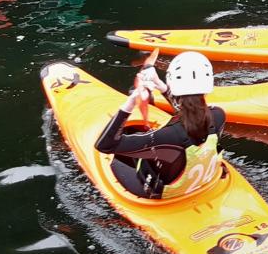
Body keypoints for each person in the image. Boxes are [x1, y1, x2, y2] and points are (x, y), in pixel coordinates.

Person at [94, 52, 226, 199]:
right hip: (203, 181)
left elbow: (105, 145)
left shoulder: (167, 137)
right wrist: (160, 86)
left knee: (119, 158)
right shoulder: (219, 115)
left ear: (173, 83)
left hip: (168, 194)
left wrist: (130, 103)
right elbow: (190, 113)